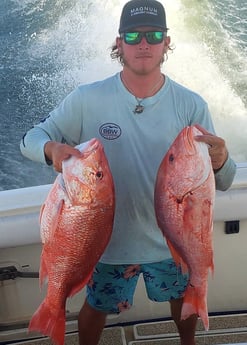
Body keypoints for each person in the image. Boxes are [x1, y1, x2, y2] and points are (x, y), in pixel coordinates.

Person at [20, 1, 236, 344]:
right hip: (105, 243)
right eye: (133, 35)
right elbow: (30, 139)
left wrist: (222, 159)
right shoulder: (86, 99)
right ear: (119, 43)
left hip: (170, 242)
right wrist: (52, 150)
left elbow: (223, 181)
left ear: (167, 42)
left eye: (153, 35)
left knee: (182, 302)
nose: (143, 44)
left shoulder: (191, 105)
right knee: (95, 308)